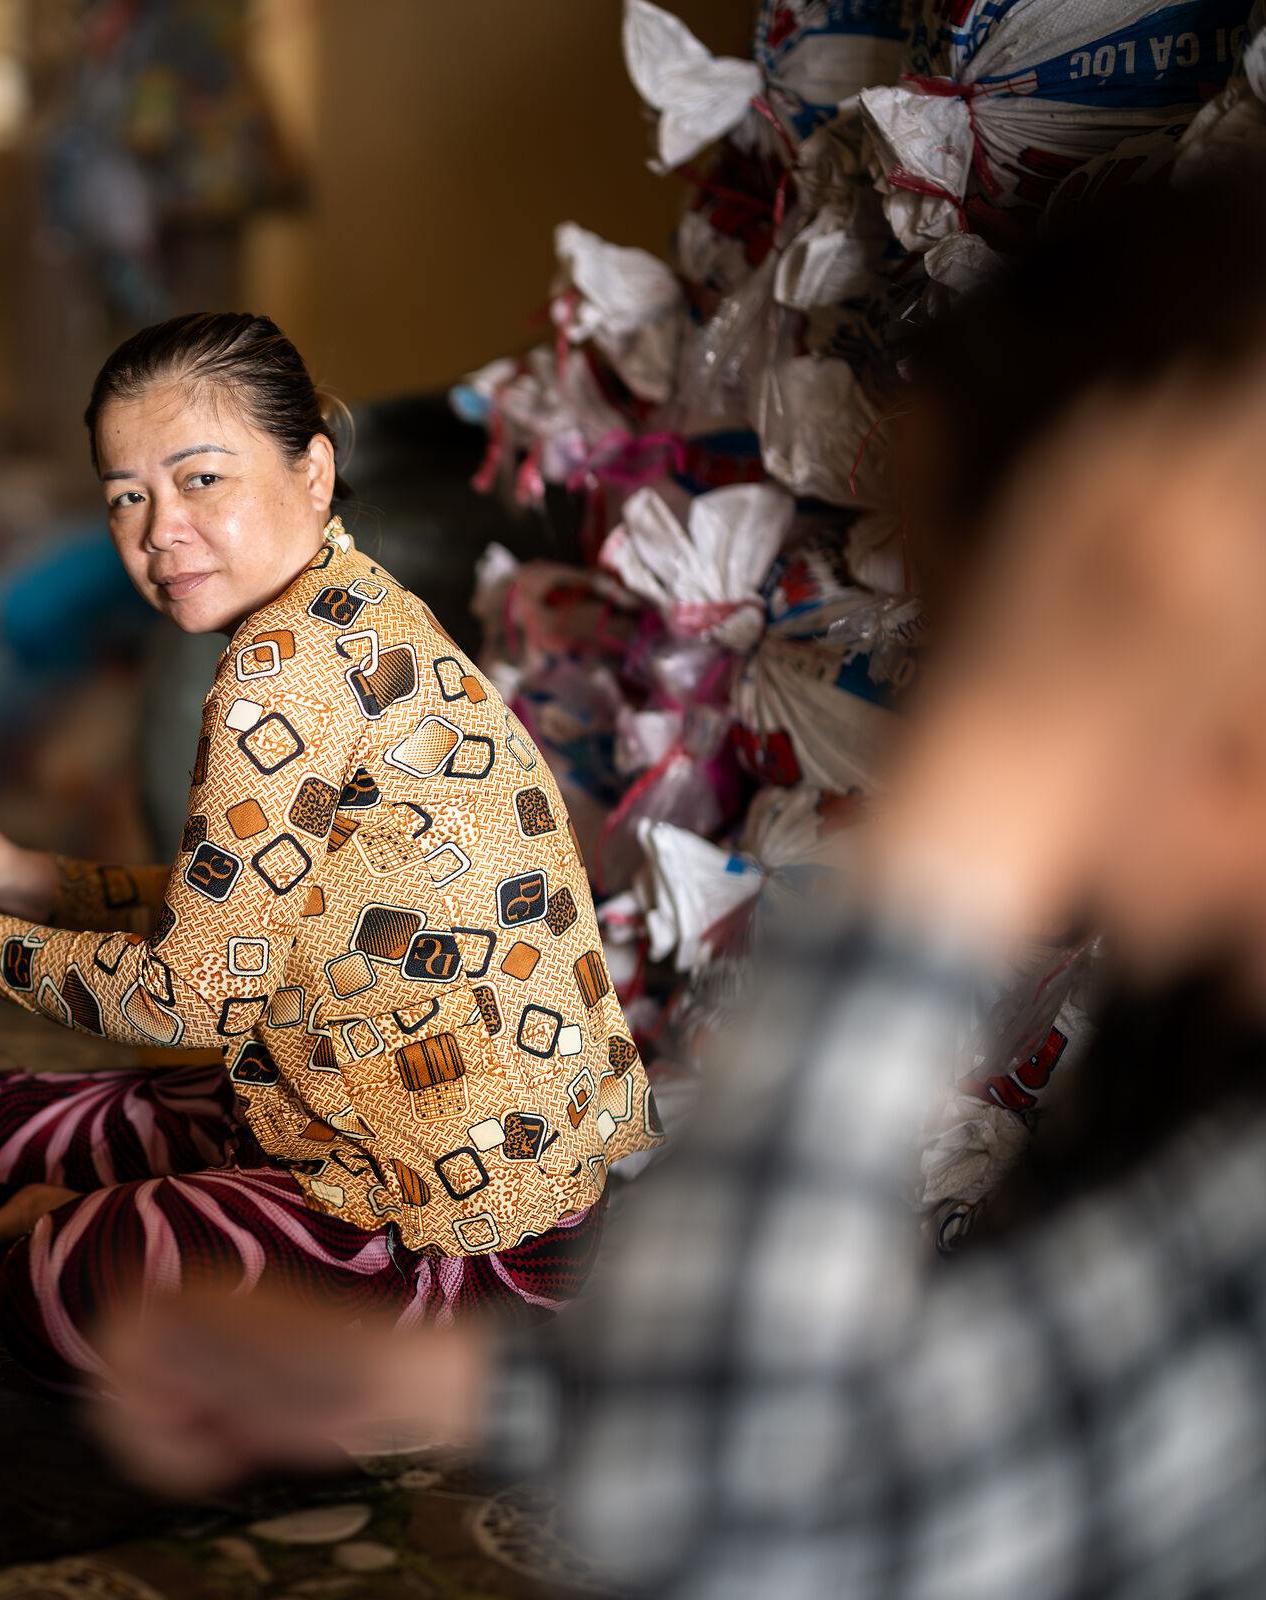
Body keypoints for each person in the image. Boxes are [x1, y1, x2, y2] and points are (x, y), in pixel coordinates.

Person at [83, 178, 1266, 1595]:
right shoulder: (1189, 1046)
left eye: (1007, 653)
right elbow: (929, 1414)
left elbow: (733, 1511)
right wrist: (435, 1390)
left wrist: (978, 801)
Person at [0, 313, 657, 1388]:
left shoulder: (279, 674)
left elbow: (188, 1003)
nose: (159, 532)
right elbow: (256, 918)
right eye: (126, 497)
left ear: (314, 469)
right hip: (404, 1140)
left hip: (457, 1235)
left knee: (69, 1283)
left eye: (201, 480)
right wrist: (18, 878)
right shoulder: (355, 610)